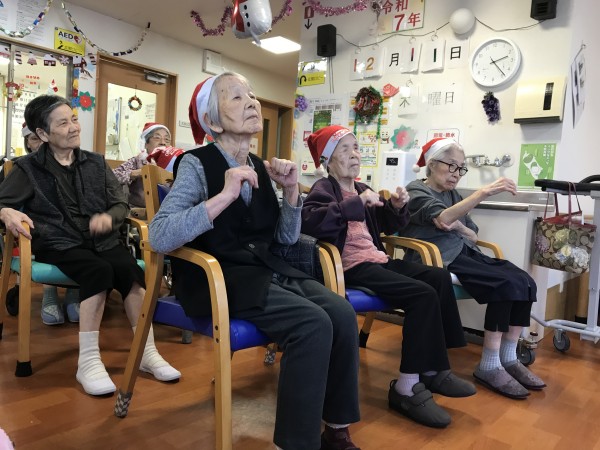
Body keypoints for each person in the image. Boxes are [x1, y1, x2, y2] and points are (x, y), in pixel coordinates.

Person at [149, 73, 361, 450]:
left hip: (266, 270)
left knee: (342, 312)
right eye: (236, 97)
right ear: (212, 122)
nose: (252, 102)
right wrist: (225, 195)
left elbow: (285, 238)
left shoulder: (261, 166)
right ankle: (294, 444)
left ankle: (336, 428)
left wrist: (291, 191)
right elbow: (160, 235)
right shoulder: (195, 164)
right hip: (218, 278)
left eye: (251, 95)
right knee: (312, 323)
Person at [0, 95, 180, 396]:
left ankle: (146, 352)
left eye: (73, 119)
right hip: (59, 242)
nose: (74, 127)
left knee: (129, 270)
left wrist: (110, 218)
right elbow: (2, 202)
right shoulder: (27, 168)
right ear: (42, 133)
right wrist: (6, 211)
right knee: (97, 271)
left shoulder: (95, 162)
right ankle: (88, 362)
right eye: (63, 123)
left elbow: (120, 203)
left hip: (102, 239)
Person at [301, 125, 476, 429]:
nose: (354, 154)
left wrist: (396, 207)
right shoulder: (322, 189)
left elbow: (386, 225)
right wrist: (356, 204)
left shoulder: (361, 189)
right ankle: (406, 388)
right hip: (350, 267)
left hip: (377, 261)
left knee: (437, 277)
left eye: (356, 147)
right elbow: (312, 223)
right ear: (328, 160)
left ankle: (435, 370)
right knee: (422, 295)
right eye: (344, 149)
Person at [402, 137, 546, 399]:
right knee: (504, 283)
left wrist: (455, 225)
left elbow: (472, 232)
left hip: (465, 253)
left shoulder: (452, 195)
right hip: (438, 258)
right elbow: (445, 219)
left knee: (524, 280)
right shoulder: (416, 190)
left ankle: (508, 358)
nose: (456, 173)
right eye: (451, 166)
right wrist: (482, 193)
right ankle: (489, 365)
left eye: (461, 168)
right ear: (432, 164)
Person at [2, 123, 80, 324]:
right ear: (27, 143)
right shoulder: (23, 167)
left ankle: (74, 294)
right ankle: (50, 294)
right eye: (34, 139)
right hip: (37, 229)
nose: (41, 143)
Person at [112, 122, 171, 212]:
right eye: (157, 138)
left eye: (167, 139)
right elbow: (111, 177)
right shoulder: (137, 161)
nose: (163, 143)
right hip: (139, 212)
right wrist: (136, 173)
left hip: (167, 213)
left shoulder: (173, 163)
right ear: (145, 143)